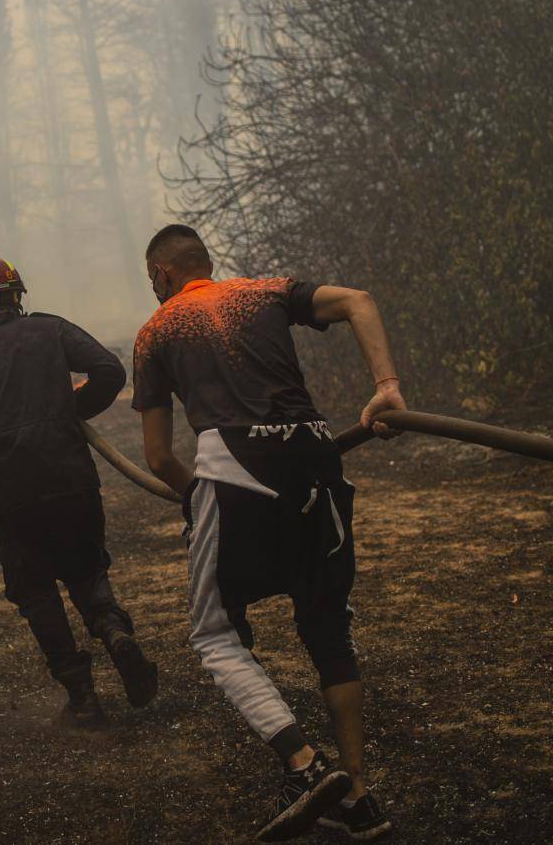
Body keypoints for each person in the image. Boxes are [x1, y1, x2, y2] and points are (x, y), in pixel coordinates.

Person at [133, 224, 400, 842]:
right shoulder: (264, 293)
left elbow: (158, 458)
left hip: (232, 470)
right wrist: (387, 389)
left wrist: (198, 501)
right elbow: (358, 300)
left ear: (164, 274)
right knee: (327, 622)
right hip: (315, 456)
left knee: (215, 632)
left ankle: (306, 769)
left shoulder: (157, 331)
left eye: (152, 280)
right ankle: (358, 794)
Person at [0, 253, 158, 725]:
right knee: (85, 570)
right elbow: (110, 371)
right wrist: (68, 411)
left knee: (34, 588)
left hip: (15, 491)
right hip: (72, 480)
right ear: (18, 297)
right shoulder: (50, 328)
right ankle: (114, 633)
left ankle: (83, 697)